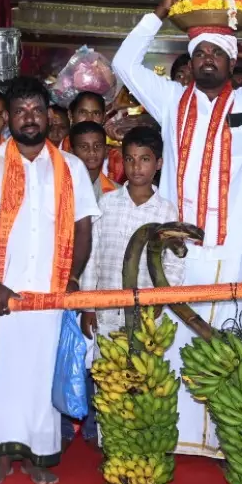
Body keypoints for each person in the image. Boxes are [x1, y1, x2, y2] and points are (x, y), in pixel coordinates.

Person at [112, 0, 242, 457]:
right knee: (177, 333)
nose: (206, 61)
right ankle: (178, 433)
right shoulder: (169, 100)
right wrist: (159, 12)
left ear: (230, 61)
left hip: (230, 244)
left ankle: (220, 435)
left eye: (216, 53)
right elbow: (123, 63)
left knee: (222, 337)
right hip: (177, 247)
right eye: (199, 53)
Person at [0, 77, 98, 484]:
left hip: (50, 291)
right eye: (21, 111)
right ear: (8, 118)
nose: (29, 118)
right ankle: (0, 456)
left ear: (49, 116)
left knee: (42, 375)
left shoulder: (71, 167)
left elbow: (83, 227)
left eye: (37, 110)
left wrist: (72, 277)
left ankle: (35, 454)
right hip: (3, 293)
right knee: (2, 373)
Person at [80, 126, 182, 339]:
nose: (136, 167)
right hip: (106, 310)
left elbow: (173, 264)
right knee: (105, 359)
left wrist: (162, 298)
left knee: (145, 359)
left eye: (145, 159)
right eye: (130, 159)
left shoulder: (166, 212)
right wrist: (88, 305)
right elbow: (91, 256)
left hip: (146, 314)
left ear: (159, 164)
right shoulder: (106, 203)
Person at [70, 120, 118, 200]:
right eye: (84, 147)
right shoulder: (59, 188)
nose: (92, 152)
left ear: (106, 150)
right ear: (72, 152)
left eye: (97, 146)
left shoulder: (117, 192)